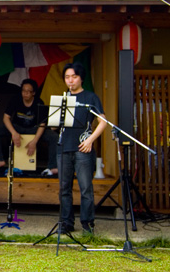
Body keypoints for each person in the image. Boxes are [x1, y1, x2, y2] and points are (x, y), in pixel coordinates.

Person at [58, 62, 107, 235]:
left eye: (74, 76)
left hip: (83, 146)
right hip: (63, 146)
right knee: (64, 188)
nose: (70, 80)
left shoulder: (90, 97)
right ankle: (66, 223)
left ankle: (87, 224)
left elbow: (103, 122)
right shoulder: (63, 99)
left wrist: (91, 140)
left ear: (81, 78)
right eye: (67, 77)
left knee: (85, 188)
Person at [0, 79, 58, 175]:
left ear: (33, 93)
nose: (25, 94)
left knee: (54, 136)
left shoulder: (39, 102)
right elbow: (6, 118)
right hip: (17, 127)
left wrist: (34, 141)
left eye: (28, 91)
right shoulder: (16, 99)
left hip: (34, 128)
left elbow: (42, 124)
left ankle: (52, 167)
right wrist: (13, 133)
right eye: (23, 91)